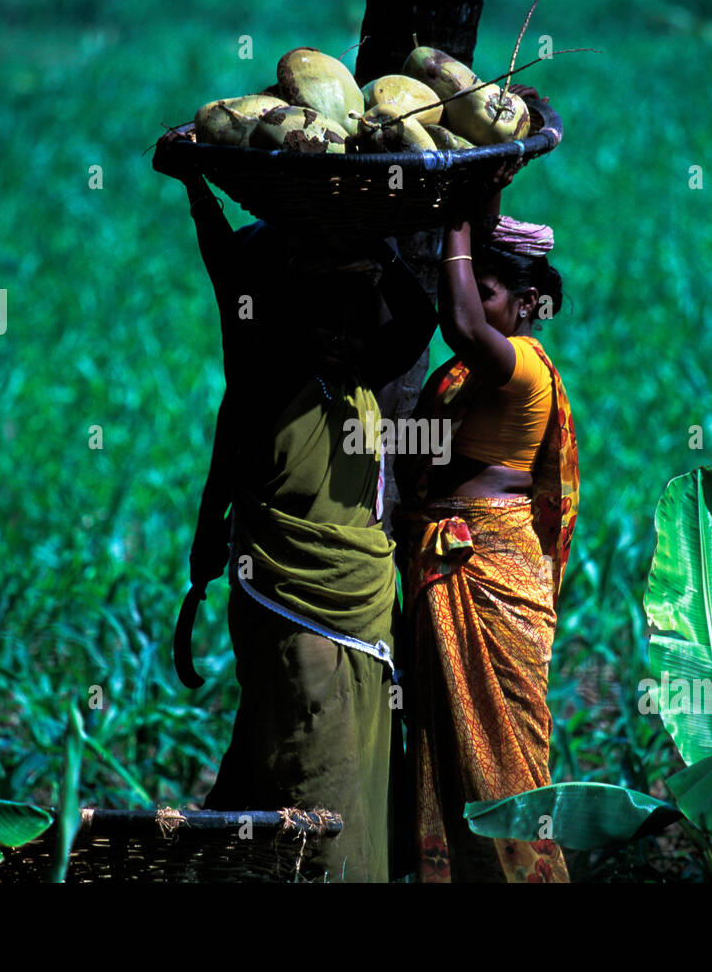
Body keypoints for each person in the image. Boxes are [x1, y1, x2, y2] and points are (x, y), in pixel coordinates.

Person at [172, 156, 438, 882]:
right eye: (318, 306)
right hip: (297, 612)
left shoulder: (359, 384)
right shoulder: (268, 380)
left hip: (364, 611)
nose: (336, 326)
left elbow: (420, 317)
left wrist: (380, 252)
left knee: (361, 772)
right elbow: (231, 277)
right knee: (310, 781)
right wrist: (199, 192)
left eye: (350, 313)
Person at [395, 133, 579, 882]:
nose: (475, 304)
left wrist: (457, 216)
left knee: (507, 749)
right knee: (448, 740)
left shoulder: (518, 363)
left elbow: (464, 321)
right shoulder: (463, 379)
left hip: (490, 571)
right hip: (455, 562)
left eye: (491, 291)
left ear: (528, 302)